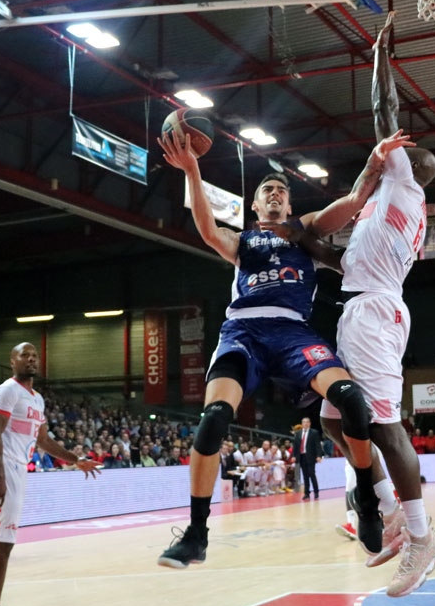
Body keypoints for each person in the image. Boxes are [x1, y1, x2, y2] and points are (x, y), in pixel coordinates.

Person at [154, 116, 408, 569]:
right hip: (244, 332)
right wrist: (192, 171)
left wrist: (373, 164)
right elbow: (208, 228)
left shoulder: (305, 230)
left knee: (352, 400)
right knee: (213, 419)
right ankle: (196, 534)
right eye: (267, 191)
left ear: (290, 204)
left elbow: (352, 202)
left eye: (282, 191)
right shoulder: (242, 240)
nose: (275, 193)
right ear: (255, 206)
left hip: (293, 332)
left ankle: (367, 504)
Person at [286, 13, 435, 596]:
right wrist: (296, 235)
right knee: (334, 419)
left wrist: (379, 55)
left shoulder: (404, 182)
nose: (386, 157)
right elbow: (336, 259)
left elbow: (386, 115)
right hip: (365, 305)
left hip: (374, 314)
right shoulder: (387, 215)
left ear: (409, 161)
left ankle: (424, 534)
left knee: (383, 427)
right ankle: (388, 506)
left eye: (398, 153)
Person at [0, 343, 102, 606]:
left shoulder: (36, 399)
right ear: (11, 361)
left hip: (17, 468)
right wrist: (0, 477)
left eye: (34, 356)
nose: (31, 359)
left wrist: (76, 460)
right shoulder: (7, 390)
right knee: (4, 542)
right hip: (4, 467)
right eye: (24, 355)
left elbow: (44, 441)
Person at [294, 417, 321, 500]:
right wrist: (294, 456)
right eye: (304, 422)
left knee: (311, 474)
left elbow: (317, 445)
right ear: (302, 424)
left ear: (309, 423)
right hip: (302, 456)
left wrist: (319, 455)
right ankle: (307, 493)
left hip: (311, 456)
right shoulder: (298, 433)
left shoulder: (314, 432)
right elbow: (296, 446)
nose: (305, 424)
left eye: (307, 422)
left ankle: (316, 492)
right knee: (305, 476)